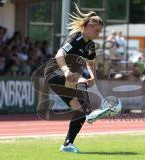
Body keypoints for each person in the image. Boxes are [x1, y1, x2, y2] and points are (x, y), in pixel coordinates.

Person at [43, 4, 104, 153]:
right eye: (96, 31)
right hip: (54, 73)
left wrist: (93, 77)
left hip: (65, 79)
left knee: (80, 110)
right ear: (88, 26)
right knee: (79, 80)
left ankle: (67, 144)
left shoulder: (90, 45)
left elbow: (90, 63)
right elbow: (59, 55)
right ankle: (91, 112)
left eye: (100, 32)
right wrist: (66, 71)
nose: (98, 34)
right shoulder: (75, 37)